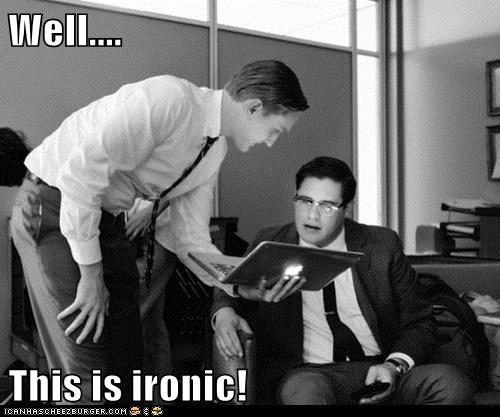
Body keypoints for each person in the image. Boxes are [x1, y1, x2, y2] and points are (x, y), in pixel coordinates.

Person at [10, 60, 308, 405]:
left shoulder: (214, 151)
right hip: (54, 203)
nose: (270, 142)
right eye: (276, 131)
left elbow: (191, 239)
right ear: (254, 108)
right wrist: (91, 274)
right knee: (87, 370)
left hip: (106, 220)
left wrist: (241, 284)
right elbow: (80, 175)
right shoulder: (170, 100)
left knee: (127, 364)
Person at [211, 156, 476, 405]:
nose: (312, 215)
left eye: (327, 206)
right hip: (310, 373)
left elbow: (419, 321)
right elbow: (230, 283)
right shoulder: (270, 242)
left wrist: (393, 366)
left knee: (451, 384)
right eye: (305, 201)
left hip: (381, 366)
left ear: (347, 208)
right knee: (304, 394)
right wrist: (223, 313)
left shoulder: (382, 245)